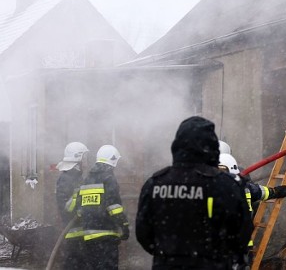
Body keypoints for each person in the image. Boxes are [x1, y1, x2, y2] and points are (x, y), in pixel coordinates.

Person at [136, 116, 253, 269]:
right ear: (211, 146)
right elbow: (242, 233)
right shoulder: (225, 184)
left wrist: (169, 254)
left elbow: (143, 233)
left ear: (177, 144)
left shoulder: (154, 183)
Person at [76, 145, 129, 270]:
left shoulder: (87, 179)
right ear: (113, 159)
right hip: (106, 237)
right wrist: (124, 225)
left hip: (88, 237)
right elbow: (114, 207)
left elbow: (80, 209)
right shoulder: (108, 178)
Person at [55, 141, 89, 269]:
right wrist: (81, 201)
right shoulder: (67, 179)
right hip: (73, 232)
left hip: (80, 231)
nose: (86, 162)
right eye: (84, 158)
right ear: (78, 158)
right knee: (73, 264)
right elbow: (66, 207)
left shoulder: (76, 177)